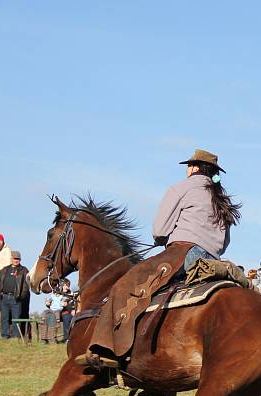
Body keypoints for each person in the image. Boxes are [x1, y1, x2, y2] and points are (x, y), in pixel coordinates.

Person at [78, 149, 241, 368]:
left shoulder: (181, 188)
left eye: (188, 166)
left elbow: (160, 229)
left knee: (125, 286)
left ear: (193, 167)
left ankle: (105, 349)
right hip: (213, 260)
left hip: (184, 253)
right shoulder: (221, 198)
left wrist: (164, 238)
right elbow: (224, 242)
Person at [0, 251, 30, 339]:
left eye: (18, 259)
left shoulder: (24, 270)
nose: (16, 260)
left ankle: (16, 337)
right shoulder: (4, 269)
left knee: (16, 319)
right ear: (11, 259)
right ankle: (4, 336)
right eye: (14, 258)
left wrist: (21, 296)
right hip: (4, 297)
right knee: (4, 318)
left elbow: (26, 285)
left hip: (15, 298)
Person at [58, 279, 75, 343]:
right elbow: (55, 305)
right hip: (61, 312)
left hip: (70, 312)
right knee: (67, 317)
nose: (66, 287)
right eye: (64, 285)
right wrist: (48, 304)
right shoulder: (58, 294)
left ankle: (72, 337)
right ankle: (67, 338)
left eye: (67, 285)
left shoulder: (71, 294)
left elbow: (72, 304)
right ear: (61, 286)